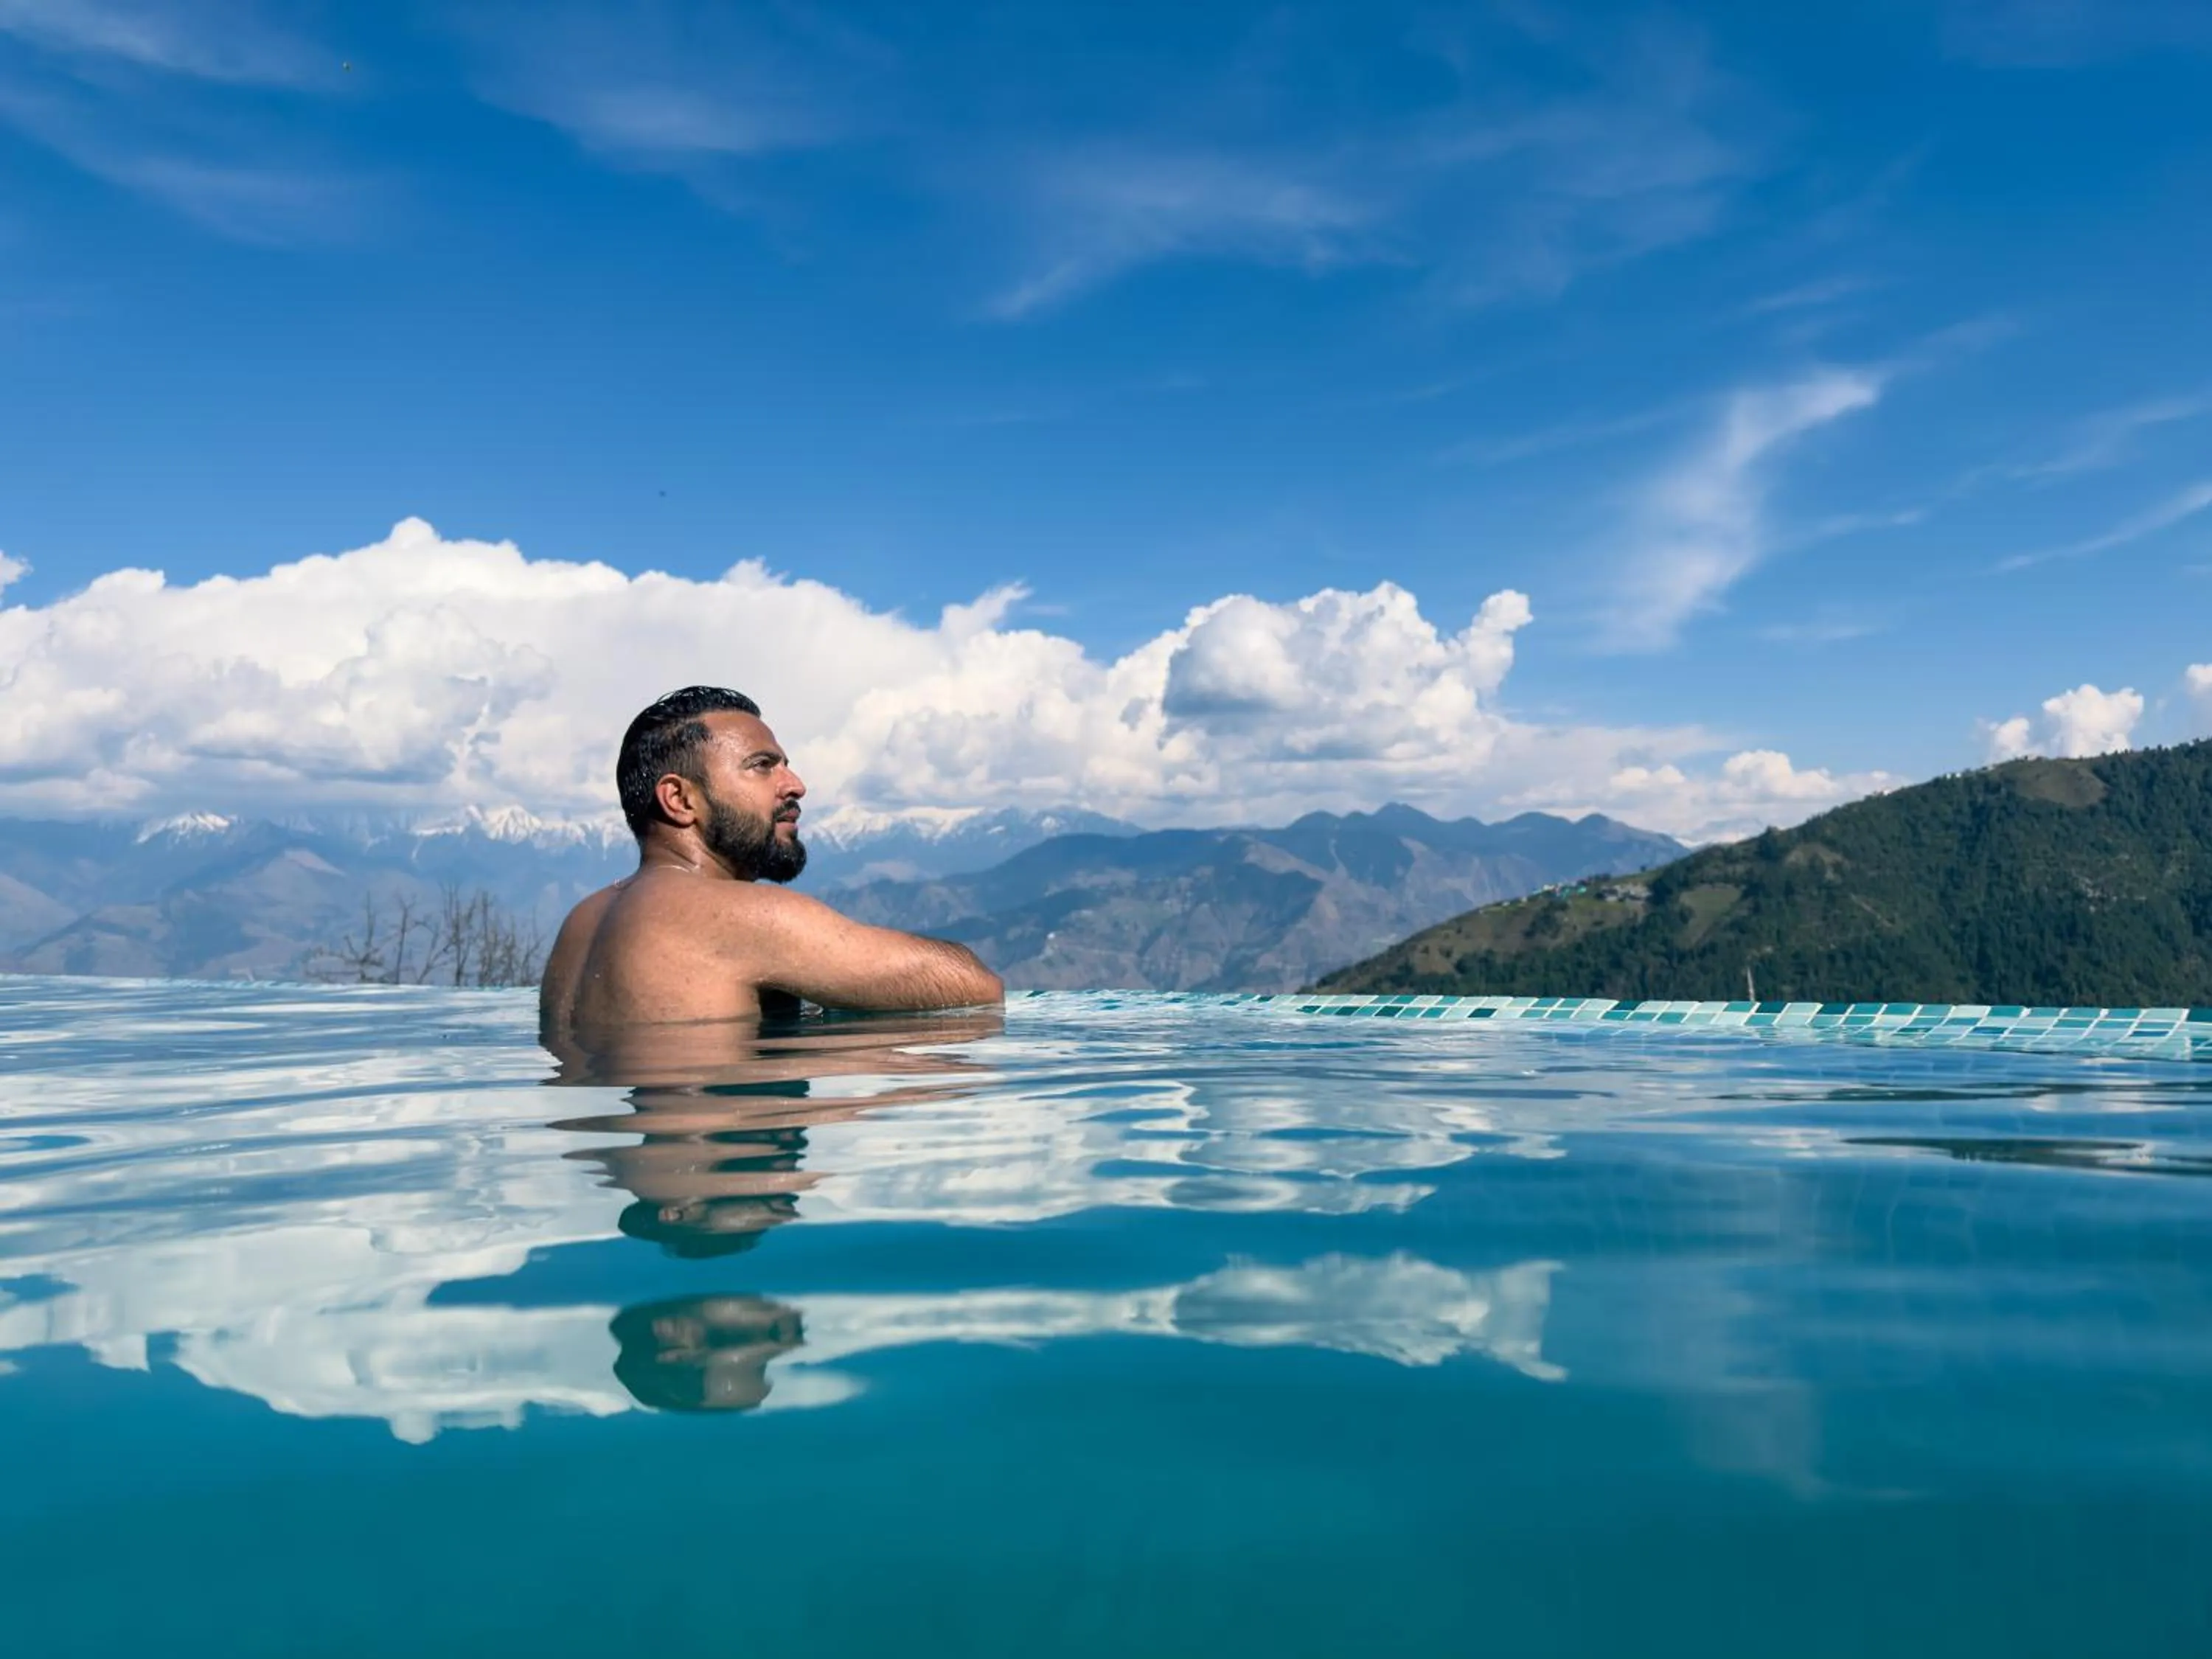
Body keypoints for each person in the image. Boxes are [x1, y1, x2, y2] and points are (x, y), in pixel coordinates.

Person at [540, 686, 1004, 1034]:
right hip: (728, 1162)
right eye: (762, 766)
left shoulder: (581, 922)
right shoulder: (742, 917)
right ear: (680, 799)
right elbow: (974, 985)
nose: (795, 783)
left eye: (785, 764)